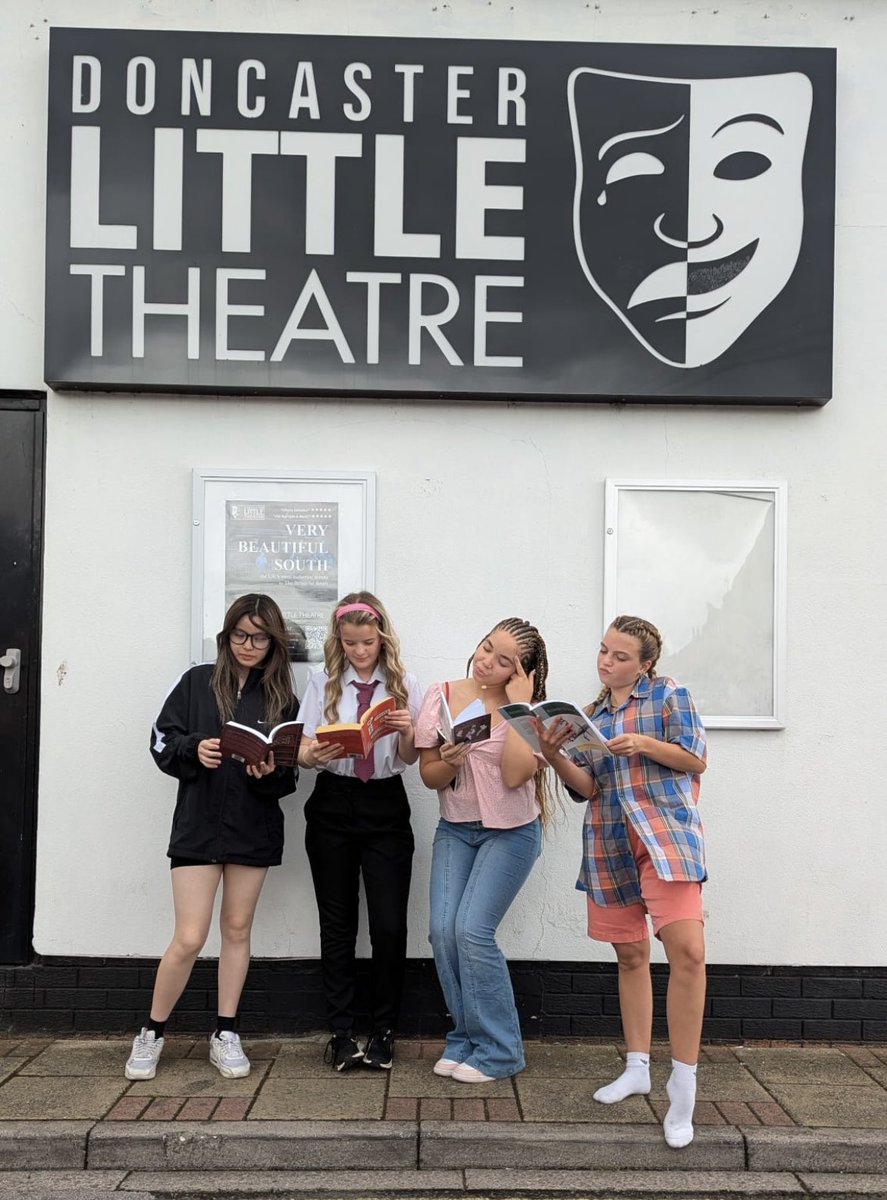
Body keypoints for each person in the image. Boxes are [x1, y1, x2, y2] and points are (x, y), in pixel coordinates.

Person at [536, 615, 707, 1149]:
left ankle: (684, 1086)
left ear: (646, 663)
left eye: (620, 656)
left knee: (689, 952)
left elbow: (695, 757)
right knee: (630, 956)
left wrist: (643, 744)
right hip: (610, 840)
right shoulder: (588, 715)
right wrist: (552, 754)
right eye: (603, 652)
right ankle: (637, 1067)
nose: (607, 663)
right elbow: (587, 788)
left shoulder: (670, 695)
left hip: (664, 835)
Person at [124, 594, 300, 1082]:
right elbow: (161, 740)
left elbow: (288, 779)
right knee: (189, 936)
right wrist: (192, 748)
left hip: (253, 825)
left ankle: (226, 1033)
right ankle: (152, 1032)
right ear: (227, 636)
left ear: (273, 643)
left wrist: (268, 771)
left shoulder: (282, 696)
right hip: (199, 825)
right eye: (241, 635)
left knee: (238, 930)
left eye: (260, 637)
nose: (249, 645)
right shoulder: (197, 682)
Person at [415, 617, 554, 1083]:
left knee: (472, 931)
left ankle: (501, 1050)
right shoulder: (443, 694)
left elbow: (517, 776)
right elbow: (430, 776)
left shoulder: (534, 713)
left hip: (511, 833)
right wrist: (448, 760)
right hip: (456, 828)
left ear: (523, 672)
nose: (486, 661)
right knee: (442, 930)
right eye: (485, 647)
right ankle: (465, 1039)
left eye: (503, 661)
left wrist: (518, 708)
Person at [297, 592, 422, 1072]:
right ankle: (341, 1032)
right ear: (339, 641)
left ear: (382, 637)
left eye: (367, 642)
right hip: (333, 801)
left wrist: (407, 730)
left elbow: (410, 758)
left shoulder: (404, 683)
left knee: (389, 925)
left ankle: (386, 1030)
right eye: (350, 643)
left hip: (386, 803)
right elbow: (305, 748)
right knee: (338, 922)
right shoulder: (322, 681)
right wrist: (314, 754)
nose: (359, 651)